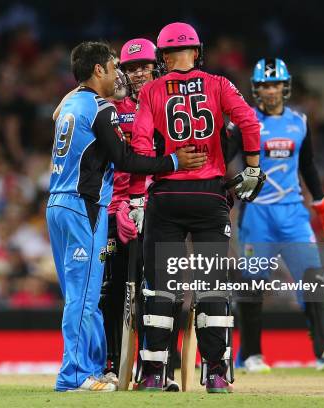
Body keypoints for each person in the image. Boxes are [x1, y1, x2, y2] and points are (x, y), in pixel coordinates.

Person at [46, 41, 206, 392]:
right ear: (99, 70)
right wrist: (174, 162)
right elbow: (127, 160)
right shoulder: (103, 108)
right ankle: (74, 376)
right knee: (84, 297)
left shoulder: (72, 102)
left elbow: (58, 115)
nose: (121, 72)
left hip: (57, 205)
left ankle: (94, 369)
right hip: (84, 205)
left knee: (81, 294)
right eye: (114, 65)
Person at [128, 22, 264, 393]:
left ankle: (155, 374)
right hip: (209, 196)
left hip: (166, 196)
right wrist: (252, 167)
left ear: (162, 56)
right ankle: (216, 373)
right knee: (211, 288)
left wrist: (139, 194)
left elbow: (141, 145)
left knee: (160, 290)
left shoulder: (152, 90)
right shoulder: (218, 84)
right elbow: (250, 122)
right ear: (197, 51)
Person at [233, 58, 324, 374]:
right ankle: (250, 356)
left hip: (293, 215)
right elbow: (222, 161)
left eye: (274, 84)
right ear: (256, 89)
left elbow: (308, 166)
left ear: (284, 87)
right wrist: (225, 187)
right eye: (263, 85)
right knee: (252, 286)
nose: (270, 91)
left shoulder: (299, 123)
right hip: (257, 214)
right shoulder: (246, 123)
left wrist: (322, 202)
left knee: (315, 278)